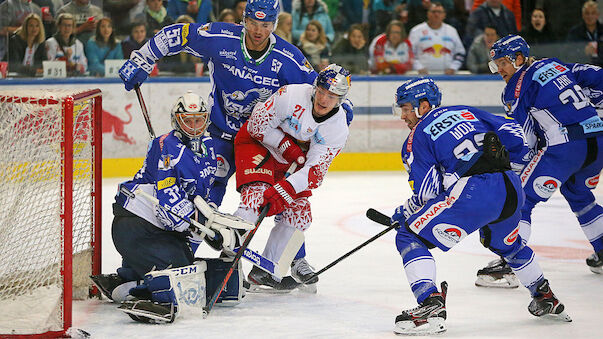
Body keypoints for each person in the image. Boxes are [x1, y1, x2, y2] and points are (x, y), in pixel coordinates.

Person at [389, 77, 571, 335]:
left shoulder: (416, 137)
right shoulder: (466, 111)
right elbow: (514, 133)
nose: (402, 116)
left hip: (474, 193)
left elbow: (428, 192)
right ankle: (544, 296)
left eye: (406, 108)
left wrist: (405, 212)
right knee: (508, 244)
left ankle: (430, 306)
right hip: (511, 187)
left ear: (424, 105)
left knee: (409, 234)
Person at [118, 0, 320, 208]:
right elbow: (179, 34)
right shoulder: (222, 38)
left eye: (266, 25)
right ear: (244, 19)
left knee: (286, 204)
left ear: (275, 24)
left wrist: (341, 107)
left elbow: (319, 90)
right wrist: (142, 58)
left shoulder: (289, 57)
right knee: (202, 197)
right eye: (252, 23)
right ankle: (194, 236)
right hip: (221, 133)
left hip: (264, 140)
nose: (258, 31)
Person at [90, 91, 248, 324]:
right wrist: (205, 228)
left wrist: (213, 224)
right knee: (182, 276)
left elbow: (200, 196)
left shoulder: (208, 146)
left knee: (188, 265)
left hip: (157, 231)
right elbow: (169, 212)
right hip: (135, 227)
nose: (194, 126)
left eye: (199, 119)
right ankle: (141, 292)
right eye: (188, 120)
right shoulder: (167, 147)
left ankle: (127, 280)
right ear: (177, 121)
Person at [477, 35, 603, 287]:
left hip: (565, 147)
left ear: (520, 58)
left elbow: (527, 142)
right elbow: (598, 75)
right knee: (579, 195)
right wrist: (596, 109)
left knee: (519, 199)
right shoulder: (554, 65)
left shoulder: (514, 90)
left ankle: (511, 264)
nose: (499, 70)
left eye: (503, 62)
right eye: (495, 64)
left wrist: (513, 170)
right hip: (598, 140)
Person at [233, 64, 351, 292]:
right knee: (254, 200)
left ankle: (265, 270)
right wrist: (287, 147)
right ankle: (229, 261)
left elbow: (315, 172)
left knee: (299, 214)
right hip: (258, 144)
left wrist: (286, 188)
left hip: (292, 162)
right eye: (322, 91)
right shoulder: (292, 95)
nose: (324, 99)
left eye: (332, 95)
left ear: (341, 99)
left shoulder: (338, 127)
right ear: (315, 88)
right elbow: (257, 126)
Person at [408, 3, 465, 75]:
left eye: (439, 12)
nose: (436, 14)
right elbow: (409, 53)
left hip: (447, 76)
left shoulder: (452, 31)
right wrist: (418, 67)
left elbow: (460, 53)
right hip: (422, 75)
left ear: (444, 15)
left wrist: (453, 68)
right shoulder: (416, 31)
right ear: (428, 14)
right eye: (433, 12)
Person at [567, 1, 602, 66]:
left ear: (597, 15)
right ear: (583, 15)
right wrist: (583, 51)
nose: (590, 16)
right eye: (587, 13)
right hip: (583, 68)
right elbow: (568, 54)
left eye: (593, 13)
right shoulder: (574, 32)